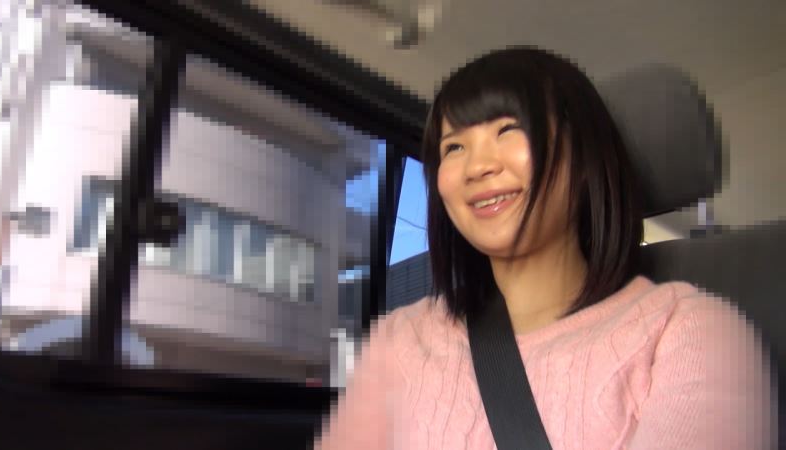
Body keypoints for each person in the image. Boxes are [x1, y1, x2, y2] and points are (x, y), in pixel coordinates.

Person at [316, 47, 774, 449]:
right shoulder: (400, 338)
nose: (477, 166)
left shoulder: (689, 332)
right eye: (453, 148)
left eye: (507, 129)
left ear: (583, 155)